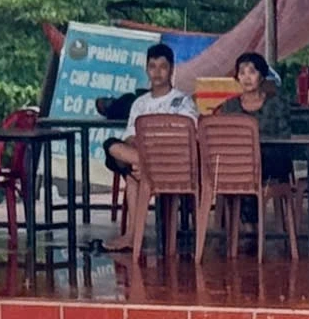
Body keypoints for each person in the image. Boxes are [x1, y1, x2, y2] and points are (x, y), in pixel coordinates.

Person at [102, 41, 198, 252]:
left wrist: (151, 145)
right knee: (111, 146)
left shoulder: (183, 102)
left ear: (171, 69)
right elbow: (129, 137)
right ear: (146, 69)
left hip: (172, 162)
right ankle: (131, 235)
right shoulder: (140, 103)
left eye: (162, 67)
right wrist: (138, 147)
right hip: (143, 157)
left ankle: (132, 236)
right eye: (152, 66)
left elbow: (186, 136)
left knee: (132, 173)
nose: (157, 72)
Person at [218, 52, 297, 185]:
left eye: (252, 72)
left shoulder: (277, 103)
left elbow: (285, 137)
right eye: (242, 73)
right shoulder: (229, 106)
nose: (247, 78)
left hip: (271, 161)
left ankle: (249, 203)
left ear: (261, 76)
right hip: (238, 162)